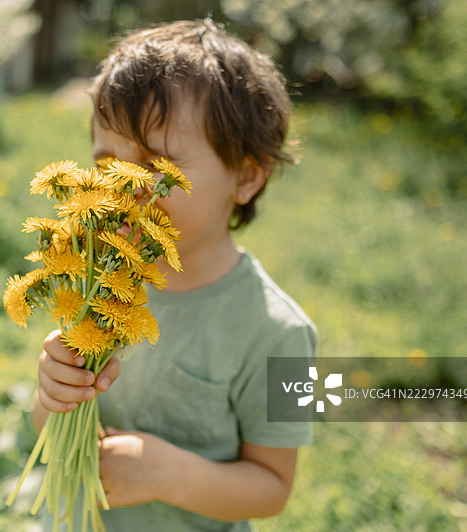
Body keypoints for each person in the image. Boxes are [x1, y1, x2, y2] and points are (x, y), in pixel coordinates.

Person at [31, 18, 316, 531]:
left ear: (247, 176)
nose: (124, 188)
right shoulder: (98, 282)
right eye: (107, 164)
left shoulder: (282, 333)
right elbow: (58, 435)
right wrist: (52, 395)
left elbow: (273, 487)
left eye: (155, 167)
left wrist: (168, 475)